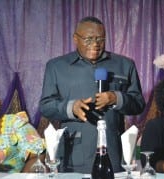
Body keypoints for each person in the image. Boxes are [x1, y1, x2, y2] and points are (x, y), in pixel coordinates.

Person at [39, 16, 145, 173]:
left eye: (100, 39)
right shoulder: (56, 66)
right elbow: (46, 106)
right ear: (76, 38)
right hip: (73, 153)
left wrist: (117, 98)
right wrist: (71, 107)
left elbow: (138, 104)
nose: (95, 45)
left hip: (114, 152)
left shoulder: (125, 64)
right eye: (88, 39)